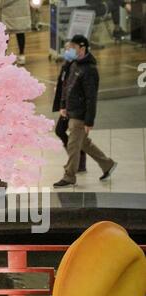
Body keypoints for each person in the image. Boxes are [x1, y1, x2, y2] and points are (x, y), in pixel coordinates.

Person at [53, 34, 117, 189]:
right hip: (71, 111)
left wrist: (89, 120)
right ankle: (107, 164)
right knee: (84, 144)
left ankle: (69, 176)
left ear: (82, 48)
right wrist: (63, 105)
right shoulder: (75, 64)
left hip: (80, 115)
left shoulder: (90, 70)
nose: (70, 50)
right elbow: (67, 87)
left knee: (74, 146)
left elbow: (91, 97)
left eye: (73, 47)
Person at [52, 42, 87, 173]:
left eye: (70, 48)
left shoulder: (75, 66)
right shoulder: (67, 65)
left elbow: (72, 88)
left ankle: (79, 162)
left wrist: (65, 105)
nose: (67, 51)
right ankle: (77, 161)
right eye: (66, 48)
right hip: (66, 105)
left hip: (71, 106)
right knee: (69, 134)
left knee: (64, 132)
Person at [0, 0, 32, 65]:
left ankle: (2, 56)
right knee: (20, 29)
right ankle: (21, 55)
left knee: (6, 30)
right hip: (19, 5)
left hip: (8, 5)